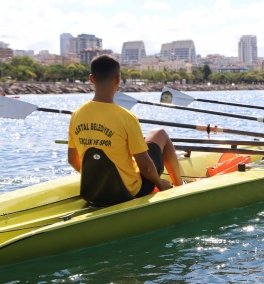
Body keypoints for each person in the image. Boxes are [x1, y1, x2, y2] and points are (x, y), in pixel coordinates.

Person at [67, 55, 183, 204]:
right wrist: (160, 184)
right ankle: (179, 186)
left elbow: (72, 160)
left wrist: (99, 178)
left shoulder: (76, 115)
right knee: (159, 133)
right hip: (129, 191)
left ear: (91, 79)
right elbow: (146, 168)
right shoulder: (126, 117)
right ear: (118, 79)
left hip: (95, 190)